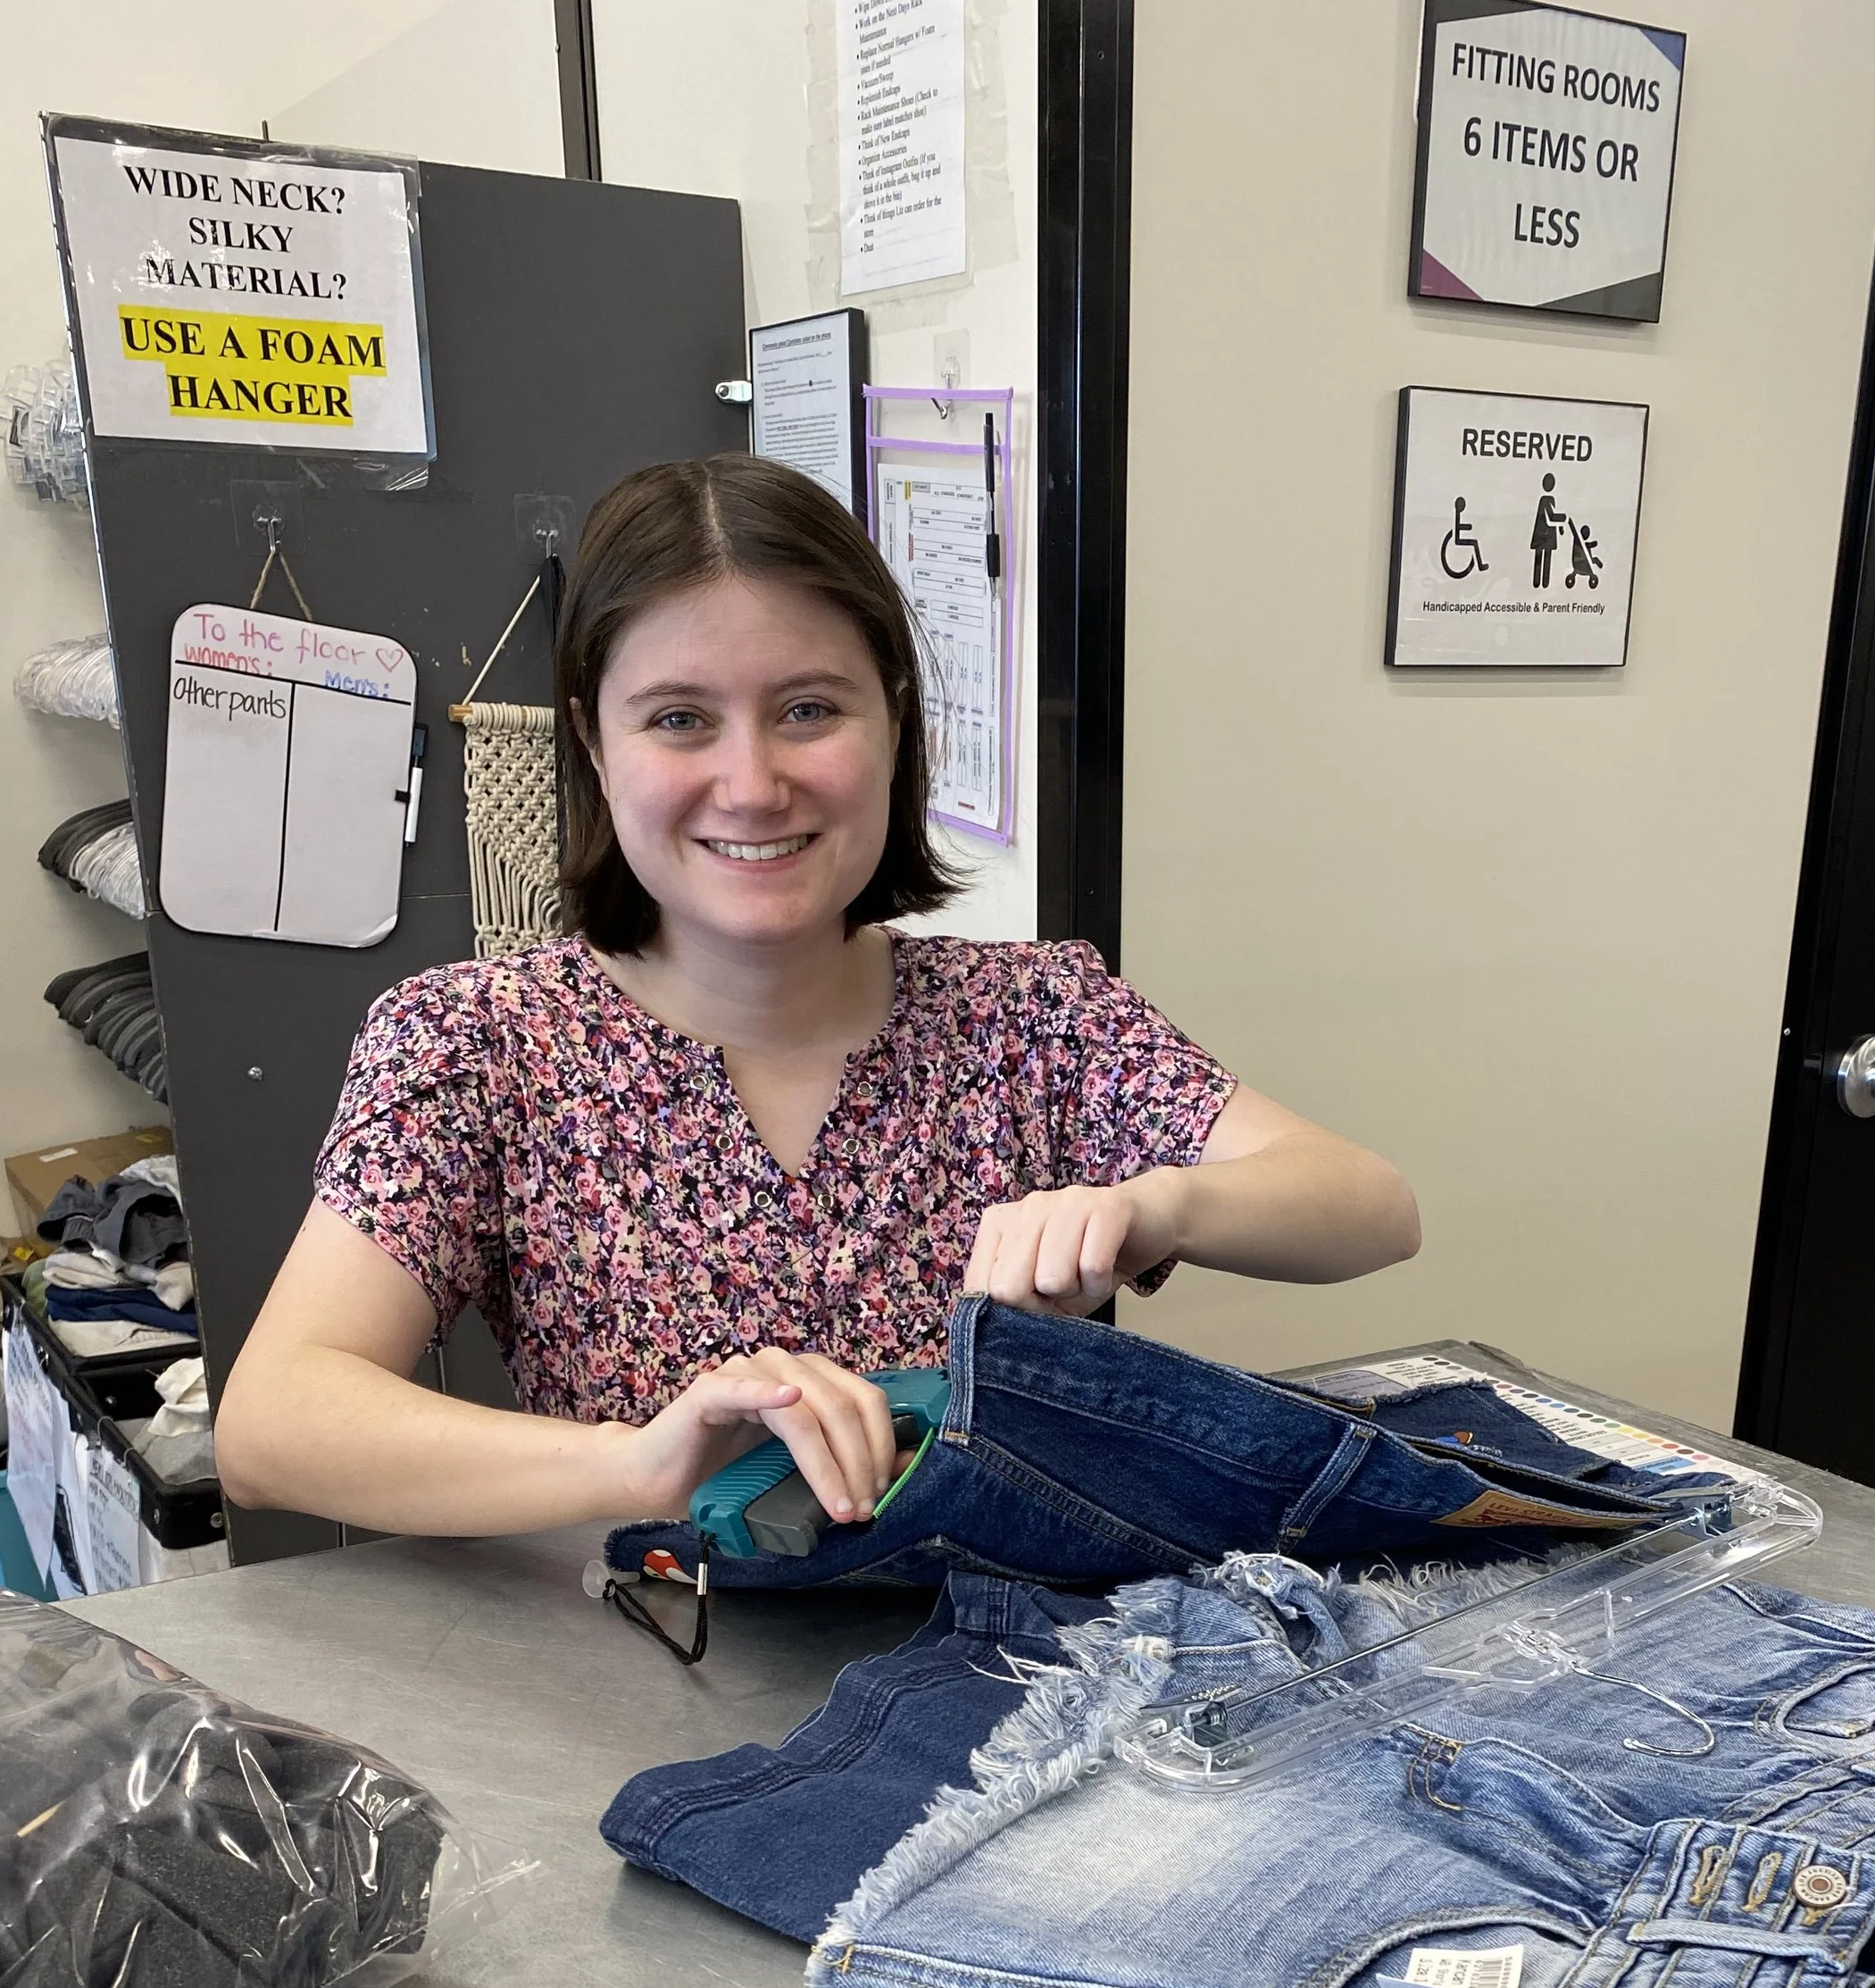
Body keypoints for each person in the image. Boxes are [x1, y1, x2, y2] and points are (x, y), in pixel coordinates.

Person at [218, 455, 1420, 1540]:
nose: (753, 783)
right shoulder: (476, 1044)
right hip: (646, 1681)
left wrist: (1160, 1208)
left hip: (1019, 1680)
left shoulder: (1036, 1017)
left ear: (895, 719)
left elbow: (1368, 1208)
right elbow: (274, 1427)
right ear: (592, 742)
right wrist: (634, 1469)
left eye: (809, 710)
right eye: (680, 719)